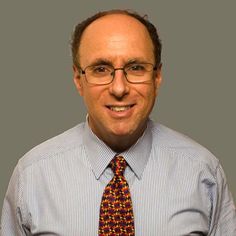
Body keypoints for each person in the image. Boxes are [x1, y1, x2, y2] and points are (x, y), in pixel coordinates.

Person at [1, 9, 236, 236]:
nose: (119, 88)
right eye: (101, 69)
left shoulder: (202, 172)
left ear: (157, 76)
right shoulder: (32, 175)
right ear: (78, 79)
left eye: (136, 68)